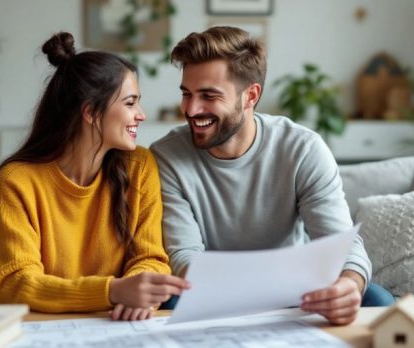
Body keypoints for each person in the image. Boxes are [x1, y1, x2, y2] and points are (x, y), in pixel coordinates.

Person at [150, 26, 394, 325]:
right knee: (167, 297)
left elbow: (342, 244)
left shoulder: (302, 148)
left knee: (377, 301)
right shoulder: (167, 157)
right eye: (187, 94)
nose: (191, 108)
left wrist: (348, 285)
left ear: (250, 95)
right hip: (212, 293)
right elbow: (185, 258)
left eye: (208, 95)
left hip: (297, 290)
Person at [0, 32, 189, 321]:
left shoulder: (139, 165)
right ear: (90, 113)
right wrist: (113, 291)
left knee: (176, 299)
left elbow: (150, 257)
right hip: (36, 313)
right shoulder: (16, 180)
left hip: (116, 311)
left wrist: (139, 294)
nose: (141, 114)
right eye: (130, 103)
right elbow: (14, 282)